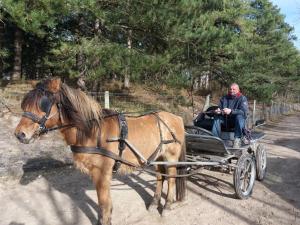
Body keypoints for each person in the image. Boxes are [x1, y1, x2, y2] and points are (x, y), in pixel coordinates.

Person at [212, 83, 248, 148]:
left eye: (234, 89)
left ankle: (237, 139)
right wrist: (218, 110)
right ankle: (215, 139)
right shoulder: (224, 98)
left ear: (238, 90)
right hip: (225, 120)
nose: (232, 90)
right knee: (217, 117)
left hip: (236, 121)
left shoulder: (242, 98)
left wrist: (231, 111)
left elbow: (244, 112)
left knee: (239, 116)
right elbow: (220, 107)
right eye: (230, 89)